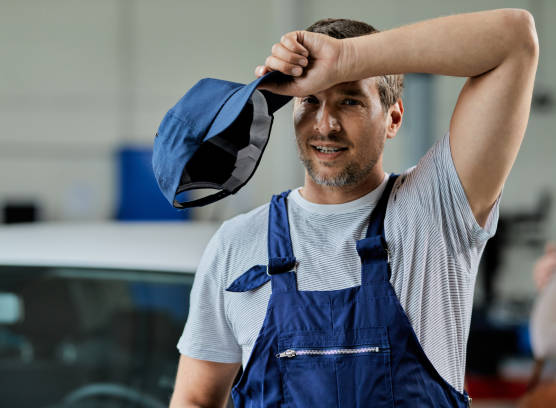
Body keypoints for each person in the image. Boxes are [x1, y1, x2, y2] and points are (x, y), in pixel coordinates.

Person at [170, 9, 539, 408]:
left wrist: (344, 60)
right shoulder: (236, 244)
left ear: (393, 117)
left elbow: (514, 40)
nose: (325, 124)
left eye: (349, 100)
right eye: (309, 100)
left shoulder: (437, 211)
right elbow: (194, 398)